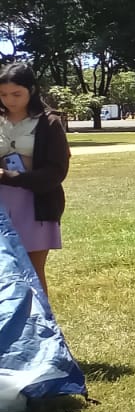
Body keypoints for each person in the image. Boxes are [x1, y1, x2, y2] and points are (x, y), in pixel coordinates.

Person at [0, 62, 70, 296]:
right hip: (2, 203)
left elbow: (56, 172)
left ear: (31, 90)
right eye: (3, 94)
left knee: (31, 270)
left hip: (35, 204)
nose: (10, 100)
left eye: (16, 94)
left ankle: (40, 330)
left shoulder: (48, 123)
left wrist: (9, 177)